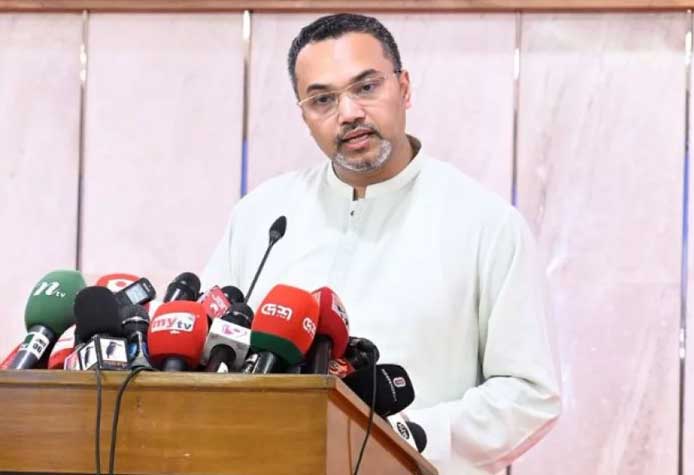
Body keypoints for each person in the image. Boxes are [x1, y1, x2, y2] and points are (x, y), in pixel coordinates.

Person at [201, 13, 560, 474]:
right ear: (304, 116)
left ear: (404, 88)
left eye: (366, 87)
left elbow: (530, 393)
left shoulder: (485, 223)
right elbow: (208, 345)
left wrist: (410, 435)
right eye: (323, 99)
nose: (349, 113)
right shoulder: (263, 216)